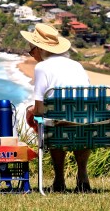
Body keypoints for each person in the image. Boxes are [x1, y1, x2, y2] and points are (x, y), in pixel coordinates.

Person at [21, 23, 92, 193]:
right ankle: (82, 175)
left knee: (53, 123)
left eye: (32, 51)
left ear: (39, 49)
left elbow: (39, 110)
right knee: (74, 122)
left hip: (59, 128)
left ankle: (59, 179)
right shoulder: (77, 65)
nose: (32, 55)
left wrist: (30, 111)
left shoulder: (42, 67)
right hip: (87, 127)